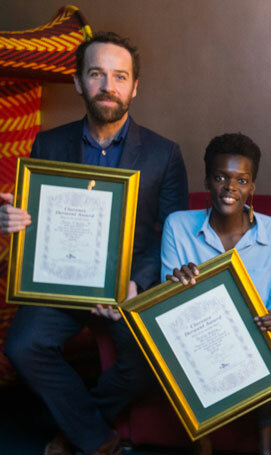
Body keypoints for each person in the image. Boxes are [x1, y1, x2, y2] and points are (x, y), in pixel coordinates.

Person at [1, 32, 189, 455]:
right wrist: (13, 222)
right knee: (22, 346)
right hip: (60, 281)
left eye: (119, 76)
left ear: (134, 87)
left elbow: (170, 232)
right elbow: (38, 220)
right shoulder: (49, 143)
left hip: (126, 289)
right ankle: (96, 438)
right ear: (78, 82)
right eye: (97, 74)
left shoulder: (164, 153)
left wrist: (135, 283)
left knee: (145, 365)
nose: (109, 85)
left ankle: (76, 432)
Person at [161, 132, 271, 455]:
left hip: (253, 340)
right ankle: (202, 440)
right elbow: (164, 311)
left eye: (241, 180)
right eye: (220, 177)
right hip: (197, 338)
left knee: (260, 335)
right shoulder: (178, 225)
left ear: (252, 186)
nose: (230, 188)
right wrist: (173, 285)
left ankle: (266, 438)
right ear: (207, 180)